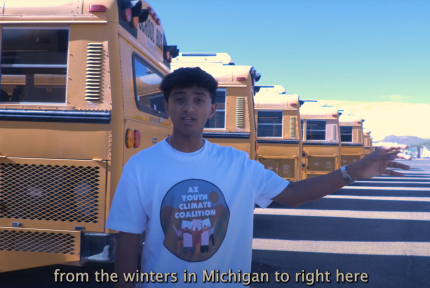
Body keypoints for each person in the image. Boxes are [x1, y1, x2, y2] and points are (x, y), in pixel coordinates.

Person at [106, 67, 410, 288]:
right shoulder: (141, 166)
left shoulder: (237, 163)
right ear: (167, 106)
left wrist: (352, 172)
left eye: (199, 100)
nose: (189, 107)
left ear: (212, 109)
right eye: (180, 98)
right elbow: (129, 241)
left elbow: (292, 194)